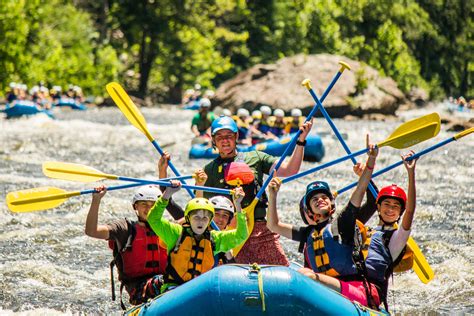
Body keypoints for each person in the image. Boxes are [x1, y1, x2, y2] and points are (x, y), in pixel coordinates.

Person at [298, 151, 417, 310]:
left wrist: (409, 173)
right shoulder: (313, 239)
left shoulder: (388, 239)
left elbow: (408, 211)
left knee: (311, 277)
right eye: (386, 205)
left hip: (365, 295)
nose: (390, 210)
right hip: (339, 290)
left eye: (395, 207)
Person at [267, 135, 380, 305]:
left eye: (324, 197)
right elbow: (273, 225)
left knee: (307, 275)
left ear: (331, 204)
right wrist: (273, 194)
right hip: (325, 291)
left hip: (355, 290)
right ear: (309, 211)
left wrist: (370, 162)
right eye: (314, 199)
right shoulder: (307, 233)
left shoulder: (342, 224)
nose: (320, 200)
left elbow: (360, 190)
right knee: (305, 274)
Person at [194, 115, 313, 266]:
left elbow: (290, 170)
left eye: (229, 136)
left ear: (236, 136)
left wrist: (301, 141)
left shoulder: (255, 157)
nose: (225, 140)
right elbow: (197, 207)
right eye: (220, 136)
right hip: (230, 234)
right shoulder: (209, 170)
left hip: (260, 231)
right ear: (213, 140)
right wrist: (200, 183)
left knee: (280, 269)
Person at [146, 181, 248, 292]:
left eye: (205, 218)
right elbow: (153, 219)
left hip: (199, 291)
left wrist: (238, 206)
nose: (201, 222)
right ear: (188, 218)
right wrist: (166, 195)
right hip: (174, 289)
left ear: (209, 221)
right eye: (196, 218)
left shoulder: (215, 238)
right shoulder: (175, 233)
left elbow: (241, 235)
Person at [85, 185, 168, 309]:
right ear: (135, 206)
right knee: (164, 281)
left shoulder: (168, 229)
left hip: (165, 284)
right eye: (144, 204)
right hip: (138, 289)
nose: (149, 208)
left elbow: (197, 221)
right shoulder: (125, 229)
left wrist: (199, 187)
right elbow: (92, 231)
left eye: (153, 204)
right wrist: (96, 200)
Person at [209, 195, 237, 263]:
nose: (220, 219)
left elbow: (232, 269)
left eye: (225, 216)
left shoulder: (226, 242)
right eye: (217, 214)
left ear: (228, 221)